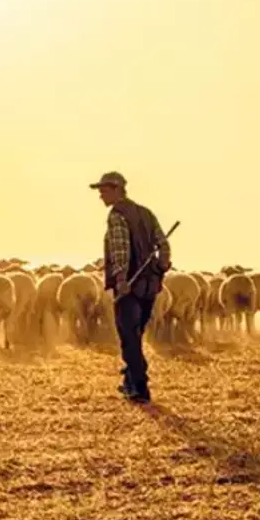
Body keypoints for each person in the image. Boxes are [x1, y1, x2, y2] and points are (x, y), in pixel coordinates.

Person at [89, 171, 171, 404]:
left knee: (129, 336)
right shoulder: (146, 213)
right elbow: (163, 244)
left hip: (130, 286)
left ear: (117, 189)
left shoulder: (117, 215)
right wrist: (162, 266)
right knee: (136, 333)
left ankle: (139, 386)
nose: (101, 196)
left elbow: (120, 250)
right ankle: (130, 379)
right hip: (150, 285)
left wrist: (122, 279)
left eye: (104, 191)